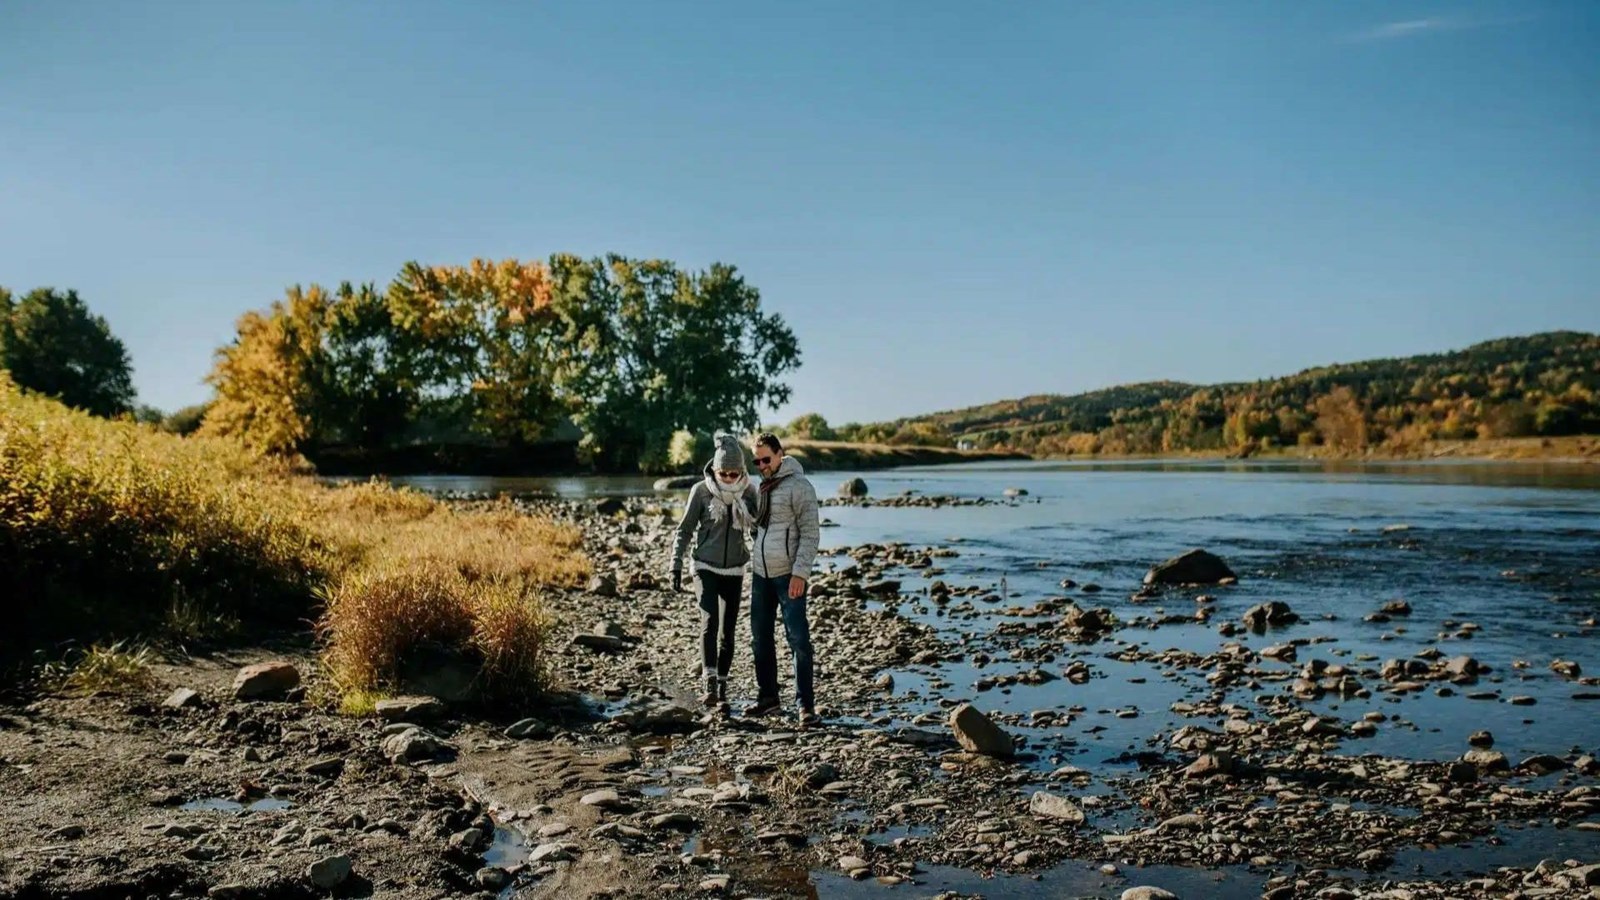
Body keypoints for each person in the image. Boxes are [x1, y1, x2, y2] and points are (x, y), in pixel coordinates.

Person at [671, 433, 759, 708]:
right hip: (704, 566)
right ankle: (709, 683)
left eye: (735, 473)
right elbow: (684, 530)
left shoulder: (749, 492)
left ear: (742, 470)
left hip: (734, 569)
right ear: (716, 468)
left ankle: (722, 685)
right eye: (725, 473)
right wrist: (675, 566)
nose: (730, 479)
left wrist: (770, 562)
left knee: (728, 632)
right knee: (710, 621)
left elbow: (758, 532)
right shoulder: (701, 490)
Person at [746, 433, 822, 727]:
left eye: (767, 459)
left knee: (799, 640)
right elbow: (761, 529)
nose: (762, 465)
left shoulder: (799, 486)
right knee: (760, 640)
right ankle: (768, 699)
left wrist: (800, 573)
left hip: (789, 576)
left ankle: (806, 706)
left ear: (780, 454)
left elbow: (811, 533)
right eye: (757, 461)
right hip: (761, 575)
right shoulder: (763, 486)